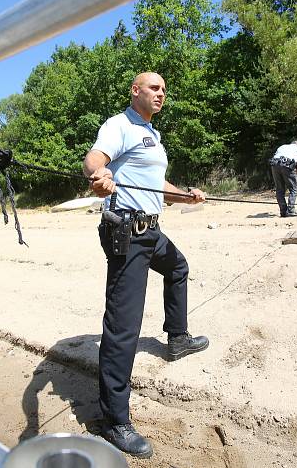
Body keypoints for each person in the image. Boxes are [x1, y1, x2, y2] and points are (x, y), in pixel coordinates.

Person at [83, 72, 209, 458]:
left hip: (151, 231)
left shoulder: (151, 135)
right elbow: (95, 159)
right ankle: (114, 420)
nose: (161, 95)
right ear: (135, 90)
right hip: (128, 233)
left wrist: (185, 196)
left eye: (165, 91)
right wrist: (98, 176)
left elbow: (158, 183)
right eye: (154, 88)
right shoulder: (119, 125)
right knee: (123, 327)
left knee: (178, 268)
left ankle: (178, 338)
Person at [269, 139, 297, 217]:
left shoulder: (282, 146)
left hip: (274, 165)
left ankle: (283, 211)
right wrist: (296, 173)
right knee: (293, 189)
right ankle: (291, 210)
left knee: (279, 189)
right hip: (287, 165)